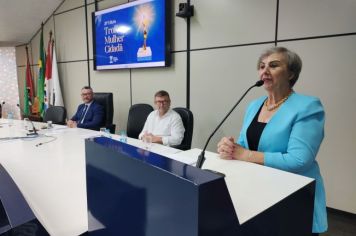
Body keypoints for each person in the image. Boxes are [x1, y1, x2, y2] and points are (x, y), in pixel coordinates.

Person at [217, 47, 327, 235]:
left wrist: (246, 154)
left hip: (293, 197)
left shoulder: (308, 106)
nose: (264, 71)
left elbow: (299, 160)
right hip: (257, 192)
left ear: (291, 73)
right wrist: (230, 148)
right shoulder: (254, 105)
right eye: (261, 66)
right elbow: (243, 145)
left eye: (273, 65)